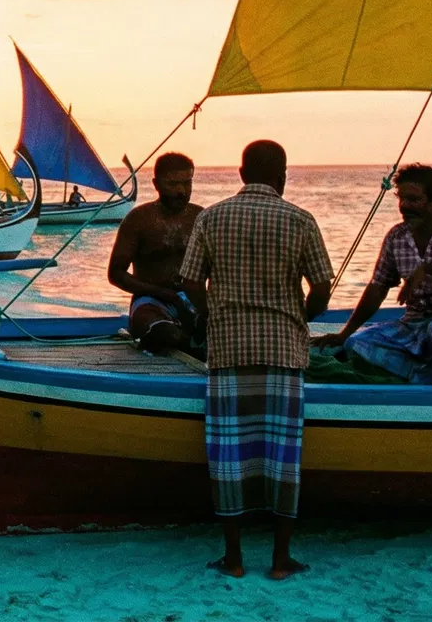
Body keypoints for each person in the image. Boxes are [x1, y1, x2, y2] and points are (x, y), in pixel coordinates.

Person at [178, 140, 333, 580]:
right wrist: (302, 315)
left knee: (229, 456)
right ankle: (281, 560)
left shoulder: (211, 217)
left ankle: (234, 558)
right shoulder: (300, 220)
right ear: (282, 176)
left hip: (228, 351)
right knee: (283, 458)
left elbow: (190, 280)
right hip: (283, 352)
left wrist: (210, 311)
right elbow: (322, 286)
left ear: (241, 173)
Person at [314, 165, 432, 385]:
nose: (404, 206)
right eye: (401, 199)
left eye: (414, 200)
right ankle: (427, 372)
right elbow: (377, 287)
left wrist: (428, 268)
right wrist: (344, 334)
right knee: (356, 345)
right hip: (415, 328)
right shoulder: (396, 236)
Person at [106, 152, 204, 354]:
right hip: (151, 301)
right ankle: (187, 341)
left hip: (195, 300)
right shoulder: (139, 220)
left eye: (187, 183)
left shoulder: (201, 218)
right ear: (156, 184)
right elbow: (116, 274)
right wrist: (161, 293)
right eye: (173, 184)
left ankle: (193, 338)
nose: (181, 191)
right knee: (162, 332)